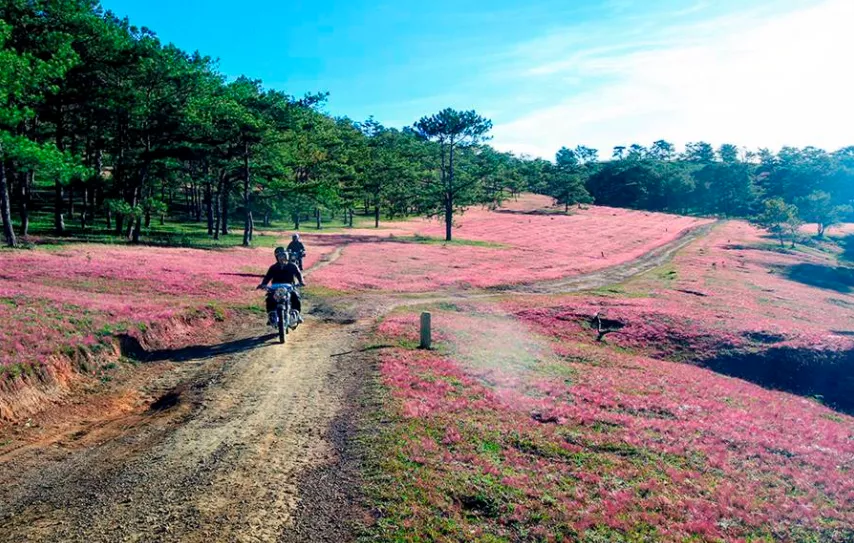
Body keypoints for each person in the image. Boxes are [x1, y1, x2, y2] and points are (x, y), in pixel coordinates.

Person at [257, 247, 305, 326]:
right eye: (280, 256)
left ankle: (297, 314)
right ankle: (271, 316)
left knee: (295, 296)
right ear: (277, 258)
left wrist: (301, 282)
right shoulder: (273, 267)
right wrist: (263, 284)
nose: (282, 258)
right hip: (275, 287)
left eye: (284, 256)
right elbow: (267, 277)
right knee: (269, 298)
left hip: (289, 286)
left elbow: (299, 274)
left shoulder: (293, 266)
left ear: (287, 256)